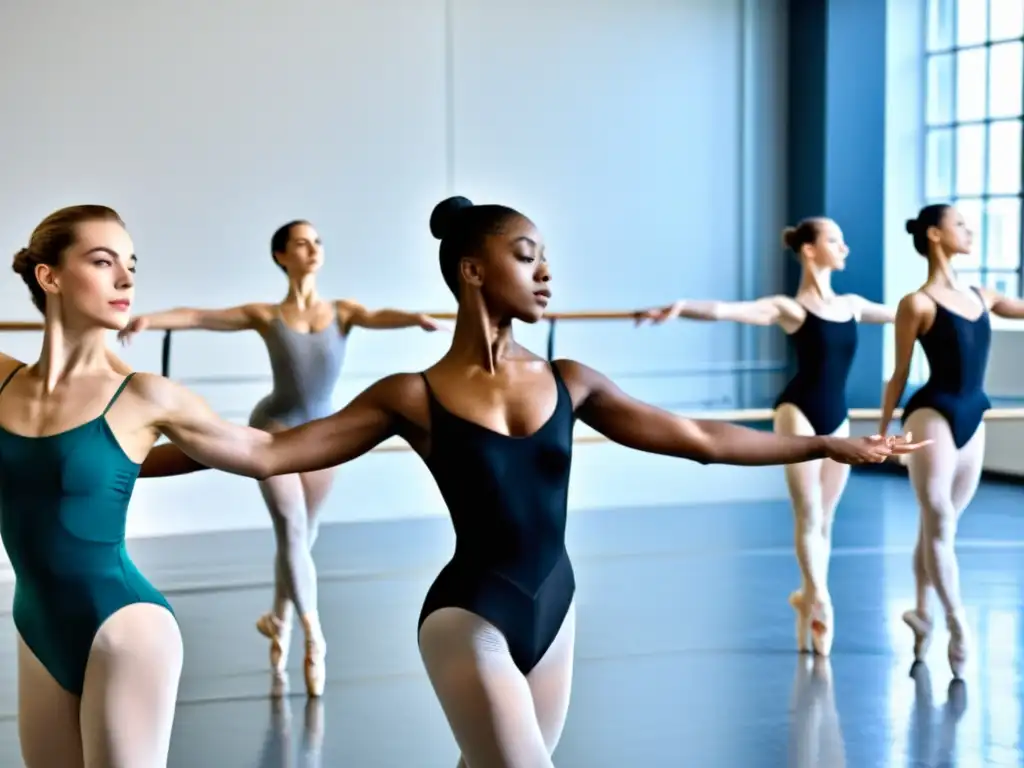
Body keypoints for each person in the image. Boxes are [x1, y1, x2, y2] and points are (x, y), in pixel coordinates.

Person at [154, 195, 919, 768]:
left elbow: (698, 440)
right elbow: (269, 452)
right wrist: (143, 435)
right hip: (469, 616)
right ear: (473, 269)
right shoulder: (409, 396)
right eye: (527, 255)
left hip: (556, 608)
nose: (546, 270)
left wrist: (825, 443)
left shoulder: (570, 380)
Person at [0, 204, 417, 767]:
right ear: (49, 276)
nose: (125, 279)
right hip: (34, 627)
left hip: (126, 629)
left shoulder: (144, 395)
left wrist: (396, 408)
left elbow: (267, 453)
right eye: (103, 262)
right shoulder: (3, 379)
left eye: (131, 265)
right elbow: (65, 470)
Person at [117, 218, 444, 697]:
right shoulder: (266, 315)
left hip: (322, 437)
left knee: (301, 539)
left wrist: (414, 319)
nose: (312, 249)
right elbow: (200, 316)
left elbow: (378, 315)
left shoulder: (344, 311)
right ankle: (314, 639)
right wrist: (149, 319)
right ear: (280, 256)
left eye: (317, 242)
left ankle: (278, 620)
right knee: (292, 528)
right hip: (272, 432)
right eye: (301, 243)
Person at [633, 217, 896, 657]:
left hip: (839, 417)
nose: (845, 248)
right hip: (798, 412)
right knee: (808, 511)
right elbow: (727, 310)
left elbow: (907, 312)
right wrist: (679, 306)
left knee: (825, 520)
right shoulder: (789, 308)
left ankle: (807, 598)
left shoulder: (851, 304)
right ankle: (820, 599)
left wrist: (972, 303)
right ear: (810, 250)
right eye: (835, 240)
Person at [879, 203, 1024, 679]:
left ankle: (921, 612)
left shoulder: (982, 295)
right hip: (931, 412)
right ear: (936, 236)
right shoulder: (916, 304)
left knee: (939, 527)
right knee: (938, 516)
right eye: (960, 224)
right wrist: (884, 433)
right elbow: (899, 373)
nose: (969, 230)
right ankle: (958, 624)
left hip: (972, 414)